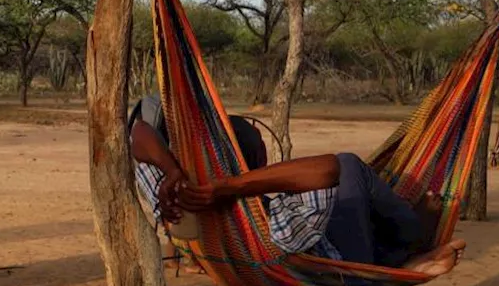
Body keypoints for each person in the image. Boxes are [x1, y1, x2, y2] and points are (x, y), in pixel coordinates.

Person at [130, 95, 466, 276]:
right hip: (344, 260)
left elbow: (138, 132)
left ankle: (401, 253)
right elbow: (333, 168)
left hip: (245, 239)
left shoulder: (170, 192)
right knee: (351, 167)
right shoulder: (272, 225)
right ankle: (409, 243)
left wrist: (172, 169)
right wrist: (231, 186)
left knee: (349, 193)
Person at [128, 94, 267, 275]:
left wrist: (173, 172)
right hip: (231, 196)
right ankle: (189, 256)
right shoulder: (257, 213)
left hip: (198, 214)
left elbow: (139, 131)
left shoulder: (186, 193)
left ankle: (189, 256)